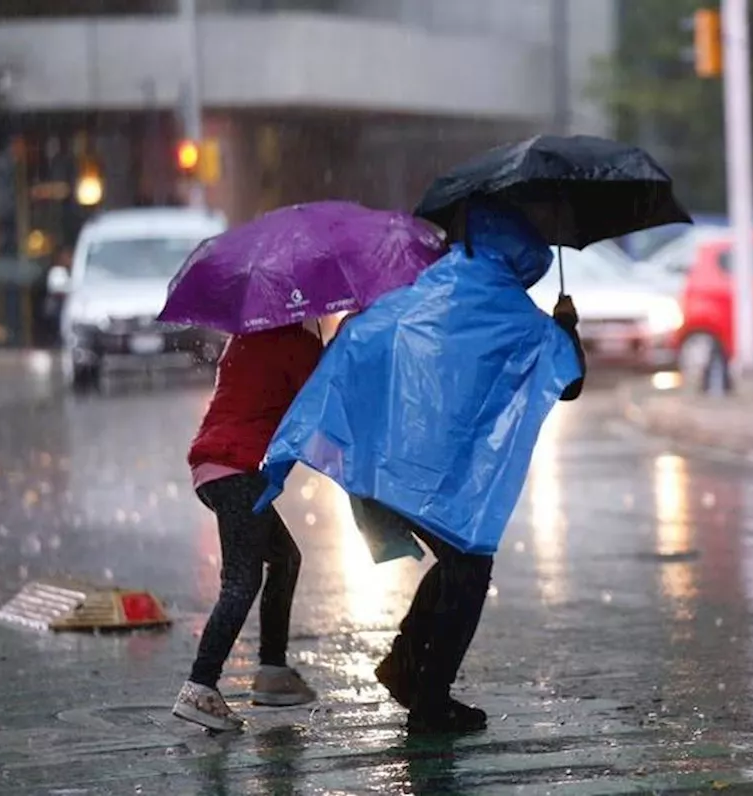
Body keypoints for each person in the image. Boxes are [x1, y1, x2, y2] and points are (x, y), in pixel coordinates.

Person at [258, 201, 586, 734]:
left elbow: (364, 339)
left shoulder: (424, 285)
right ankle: (427, 695)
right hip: (431, 481)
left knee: (460, 563)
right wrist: (566, 327)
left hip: (385, 467)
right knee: (469, 565)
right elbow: (568, 381)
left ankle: (409, 667)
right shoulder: (509, 307)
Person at [171, 319, 325, 732]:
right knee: (241, 581)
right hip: (237, 470)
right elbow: (322, 399)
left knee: (285, 558)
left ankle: (273, 671)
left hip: (214, 468)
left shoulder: (245, 337)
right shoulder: (294, 343)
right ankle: (200, 685)